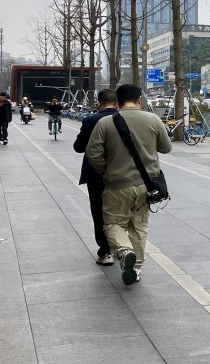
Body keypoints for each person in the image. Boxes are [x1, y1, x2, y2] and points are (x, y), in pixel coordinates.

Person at [85, 84, 172, 285]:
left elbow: (92, 153)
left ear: (117, 103)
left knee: (114, 223)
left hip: (116, 185)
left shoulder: (105, 123)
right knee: (139, 226)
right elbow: (166, 148)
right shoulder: (153, 119)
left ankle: (124, 252)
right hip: (146, 185)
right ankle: (136, 267)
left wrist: (106, 172)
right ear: (139, 100)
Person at [73, 89, 119, 266]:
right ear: (116, 103)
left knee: (99, 212)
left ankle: (105, 251)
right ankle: (122, 248)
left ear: (99, 103)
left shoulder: (90, 120)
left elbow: (78, 147)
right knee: (120, 213)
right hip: (122, 174)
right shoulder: (125, 119)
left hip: (96, 175)